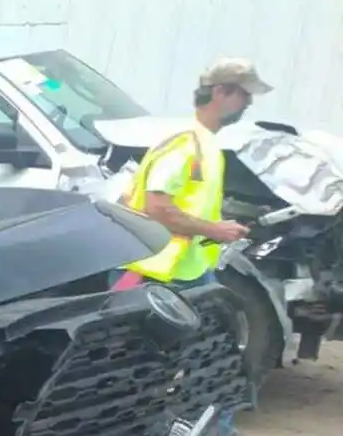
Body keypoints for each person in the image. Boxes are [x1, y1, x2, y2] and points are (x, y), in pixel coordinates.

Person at [113, 58, 272, 291]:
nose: (248, 102)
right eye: (244, 94)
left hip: (183, 271)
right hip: (151, 274)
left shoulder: (205, 143)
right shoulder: (186, 143)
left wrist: (216, 227)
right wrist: (214, 230)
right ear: (219, 92)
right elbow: (156, 208)